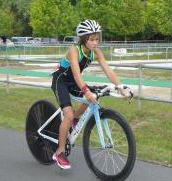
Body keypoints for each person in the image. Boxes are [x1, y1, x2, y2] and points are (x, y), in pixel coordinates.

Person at [50, 19, 128, 170]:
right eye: (92, 39)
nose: (95, 42)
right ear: (83, 39)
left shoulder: (96, 52)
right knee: (68, 114)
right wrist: (86, 91)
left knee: (94, 96)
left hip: (74, 81)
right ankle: (59, 152)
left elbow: (108, 70)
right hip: (61, 81)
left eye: (97, 39)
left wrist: (121, 87)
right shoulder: (74, 50)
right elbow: (77, 74)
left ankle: (75, 120)